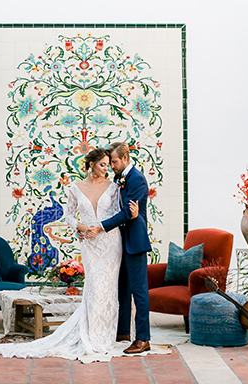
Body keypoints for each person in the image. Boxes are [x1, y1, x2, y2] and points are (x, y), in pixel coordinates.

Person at [0, 147, 138, 361]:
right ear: (91, 165)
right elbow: (69, 216)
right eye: (102, 164)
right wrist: (83, 229)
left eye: (108, 164)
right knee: (94, 288)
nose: (106, 169)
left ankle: (104, 335)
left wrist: (115, 221)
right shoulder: (75, 188)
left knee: (107, 289)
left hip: (110, 242)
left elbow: (119, 213)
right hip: (89, 244)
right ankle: (91, 333)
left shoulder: (114, 187)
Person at [86, 142, 152, 354]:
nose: (112, 166)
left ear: (125, 158)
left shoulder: (138, 179)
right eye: (110, 162)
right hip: (119, 241)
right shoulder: (118, 178)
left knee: (139, 290)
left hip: (135, 241)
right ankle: (122, 331)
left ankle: (143, 338)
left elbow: (126, 214)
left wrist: (101, 227)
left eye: (114, 161)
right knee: (121, 288)